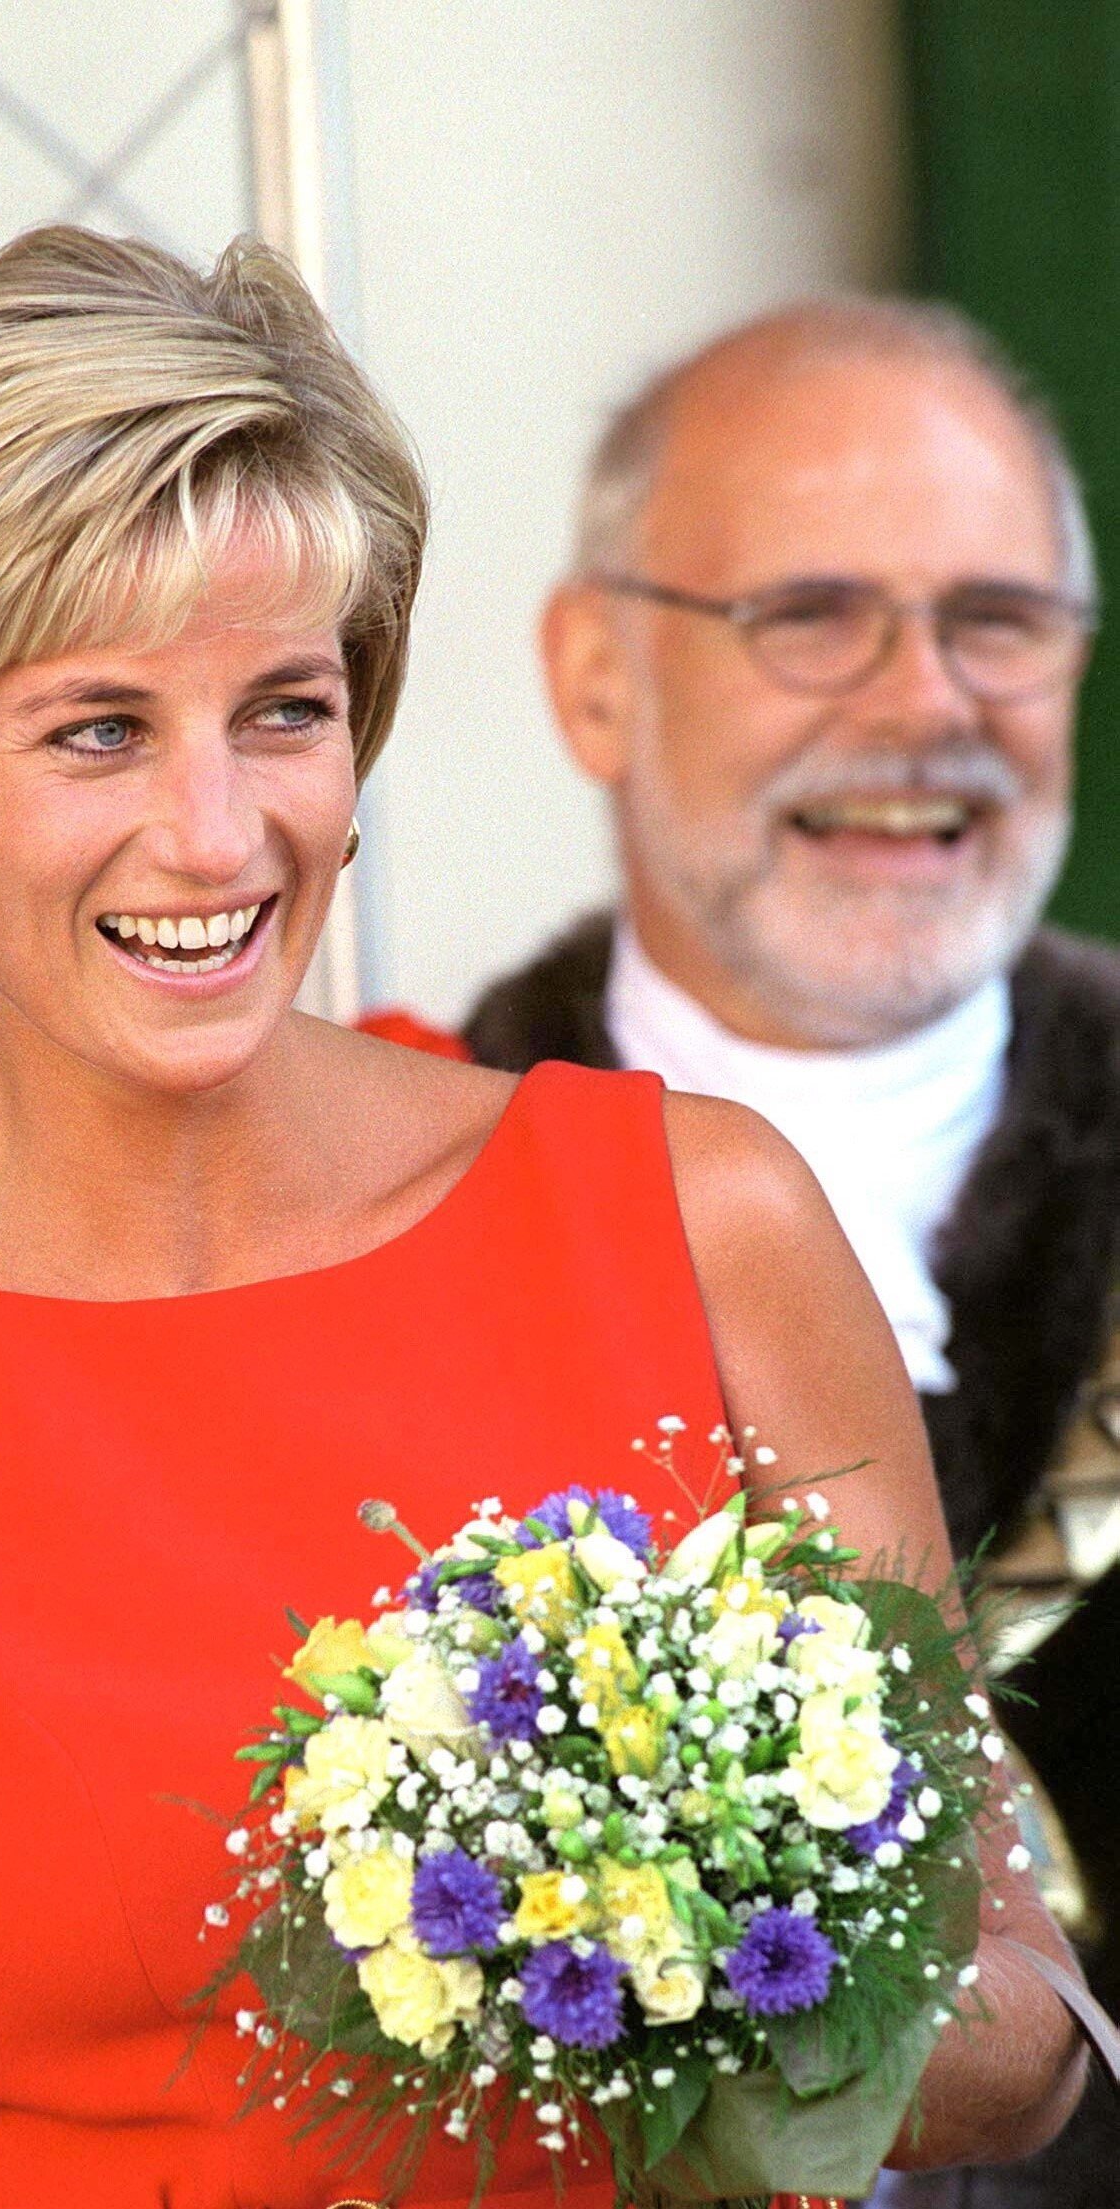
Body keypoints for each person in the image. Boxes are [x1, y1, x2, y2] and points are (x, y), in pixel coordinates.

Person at [0, 234, 1081, 2209]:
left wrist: (627, 1933)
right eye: (98, 728)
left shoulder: (695, 1215)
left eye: (281, 710)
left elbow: (1026, 2029)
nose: (214, 831)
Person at [440, 300, 1120, 2208]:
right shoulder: (374, 1199)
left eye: (996, 620)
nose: (921, 701)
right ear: (591, 673)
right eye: (810, 612)